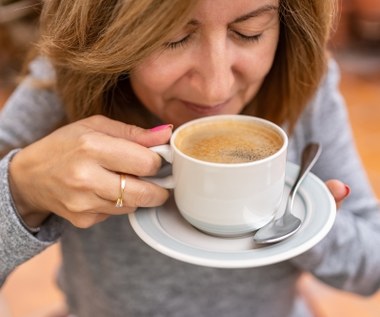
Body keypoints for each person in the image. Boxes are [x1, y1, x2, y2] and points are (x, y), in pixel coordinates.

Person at [1, 0, 380, 316]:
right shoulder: (60, 84)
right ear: (106, 34)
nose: (216, 86)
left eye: (250, 32)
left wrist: (303, 224)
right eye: (172, 39)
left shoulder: (305, 86)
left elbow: (371, 264)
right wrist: (21, 191)